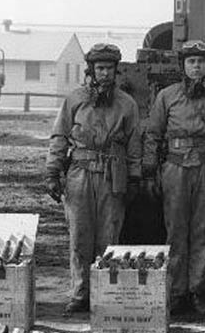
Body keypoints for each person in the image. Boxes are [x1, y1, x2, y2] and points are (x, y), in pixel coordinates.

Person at [142, 40, 205, 315]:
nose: (196, 67)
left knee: (204, 232)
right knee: (175, 231)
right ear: (183, 66)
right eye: (191, 62)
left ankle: (199, 290)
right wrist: (150, 172)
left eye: (201, 62)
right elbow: (153, 134)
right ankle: (176, 291)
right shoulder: (167, 96)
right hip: (175, 168)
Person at [45, 43, 142, 316]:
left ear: (116, 71)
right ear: (91, 70)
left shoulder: (127, 104)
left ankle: (105, 293)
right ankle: (79, 294)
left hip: (113, 176)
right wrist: (53, 172)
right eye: (100, 68)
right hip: (79, 175)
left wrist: (134, 177)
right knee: (80, 236)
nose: (105, 74)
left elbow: (135, 144)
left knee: (109, 238)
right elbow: (60, 136)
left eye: (110, 69)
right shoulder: (75, 99)